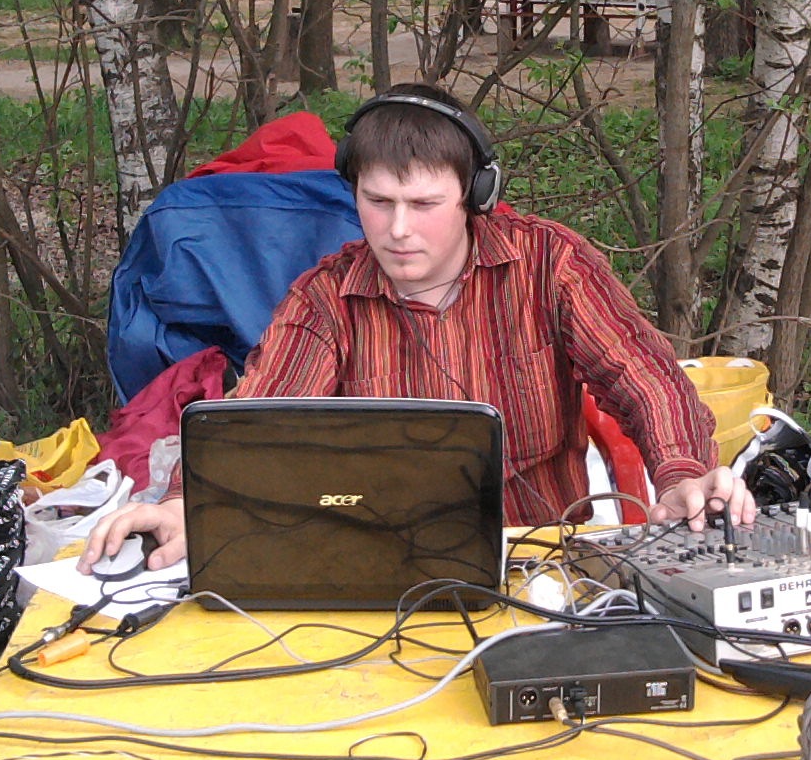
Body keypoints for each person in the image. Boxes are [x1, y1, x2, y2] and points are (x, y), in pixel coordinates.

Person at [81, 84, 756, 574]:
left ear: (474, 197)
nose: (398, 229)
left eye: (424, 203)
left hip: (540, 561)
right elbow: (258, 422)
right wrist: (186, 504)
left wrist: (682, 475)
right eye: (378, 201)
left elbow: (644, 377)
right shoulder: (326, 297)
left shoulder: (550, 264)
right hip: (380, 568)